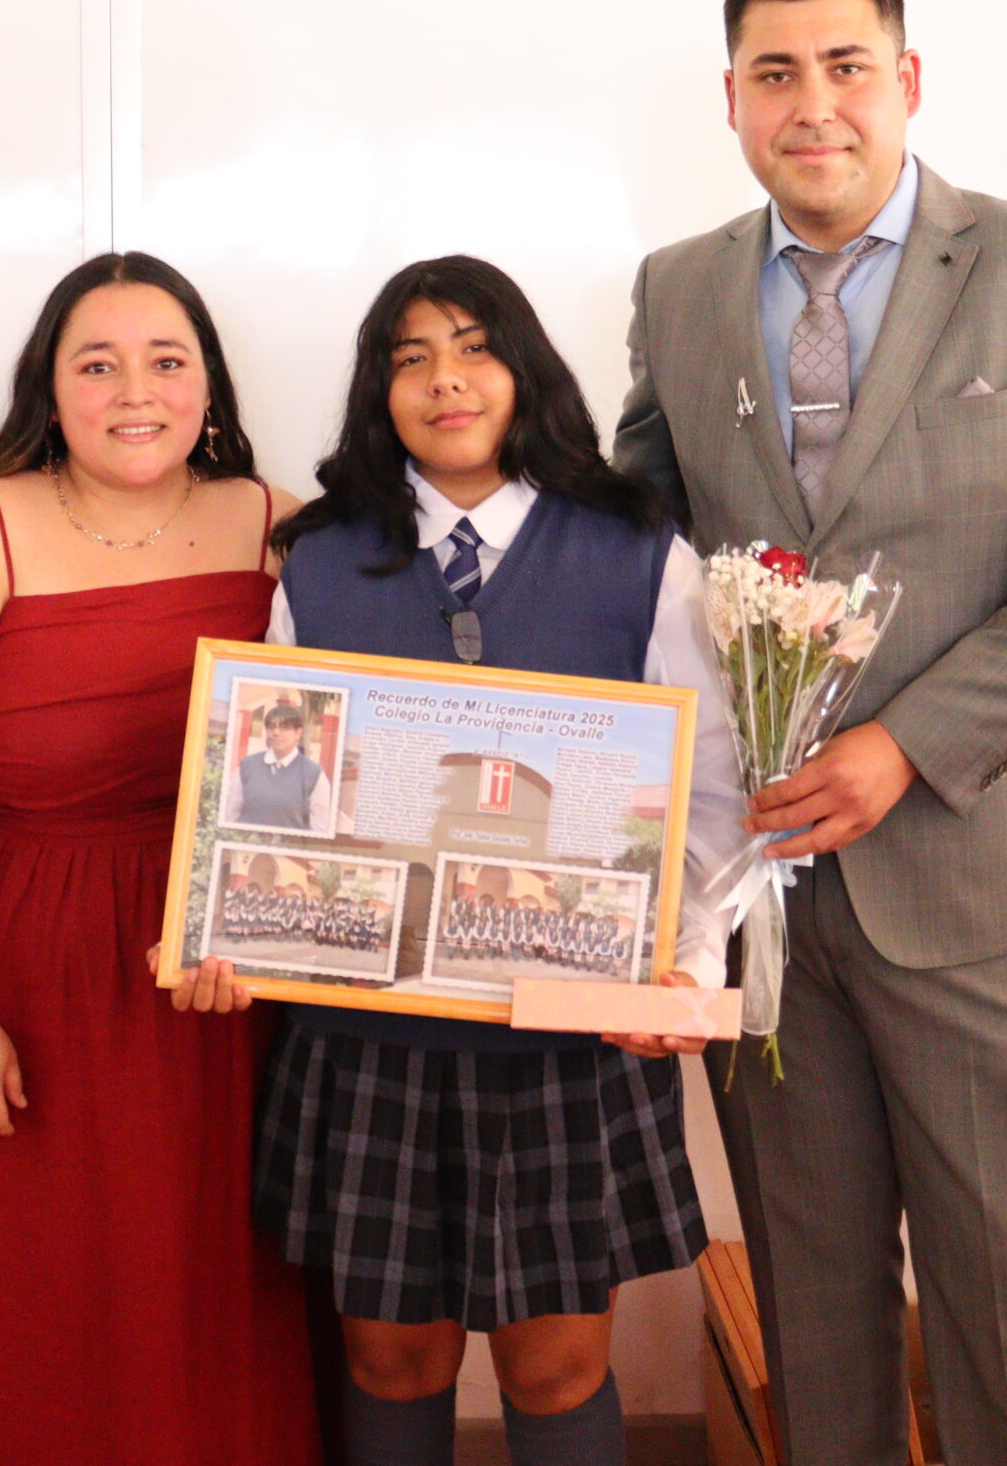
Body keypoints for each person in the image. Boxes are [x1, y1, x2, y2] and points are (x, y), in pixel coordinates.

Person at [613, 0, 1007, 1466]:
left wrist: (904, 746)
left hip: (977, 874)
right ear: (732, 98)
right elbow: (635, 547)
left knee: (997, 1285)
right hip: (761, 886)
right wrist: (405, 535)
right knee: (810, 1297)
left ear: (907, 79)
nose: (814, 104)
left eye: (846, 66)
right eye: (776, 73)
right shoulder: (679, 288)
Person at [252, 255, 759, 1466]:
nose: (446, 380)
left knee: (557, 1365)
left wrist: (685, 965)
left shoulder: (639, 550)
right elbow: (279, 796)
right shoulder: (315, 560)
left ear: (524, 370)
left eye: (474, 348)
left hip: (569, 1040)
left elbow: (710, 787)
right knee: (389, 1360)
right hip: (374, 1037)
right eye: (410, 357)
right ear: (379, 393)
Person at [0, 251, 320, 1465]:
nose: (136, 392)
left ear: (207, 384)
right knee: (24, 1307)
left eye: (166, 361)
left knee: (204, 1299)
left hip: (215, 987)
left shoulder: (275, 525)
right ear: (49, 388)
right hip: (19, 976)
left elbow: (336, 762)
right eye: (98, 364)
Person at [222, 699, 335, 832]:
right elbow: (231, 815)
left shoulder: (314, 774)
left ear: (298, 733)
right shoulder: (247, 765)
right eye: (271, 726)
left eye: (284, 727)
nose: (276, 732)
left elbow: (319, 829)